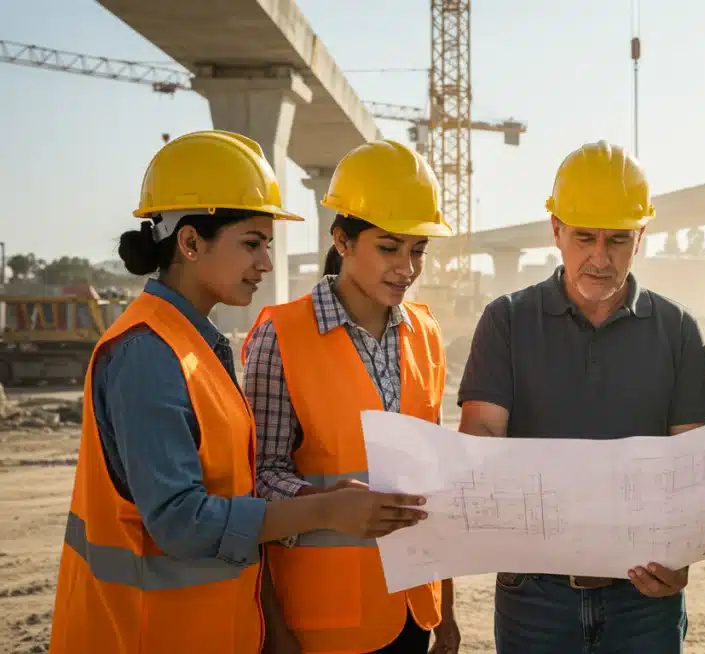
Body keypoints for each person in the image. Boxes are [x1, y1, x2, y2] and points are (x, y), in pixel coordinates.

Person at [48, 130, 429, 654]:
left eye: (267, 245)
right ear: (189, 242)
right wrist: (322, 511)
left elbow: (234, 491)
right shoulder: (147, 355)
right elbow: (182, 523)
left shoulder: (195, 345)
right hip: (143, 633)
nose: (268, 264)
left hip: (204, 630)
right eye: (252, 243)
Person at [456, 140, 705, 654]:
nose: (600, 257)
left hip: (643, 596)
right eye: (584, 238)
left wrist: (684, 551)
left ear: (640, 236)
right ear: (555, 230)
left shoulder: (678, 329)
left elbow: (693, 460)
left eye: (618, 239)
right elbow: (482, 435)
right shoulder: (506, 321)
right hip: (534, 593)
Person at [242, 139, 460, 654]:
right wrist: (323, 504)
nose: (407, 267)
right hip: (323, 620)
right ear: (342, 240)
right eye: (389, 247)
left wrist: (445, 612)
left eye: (418, 249)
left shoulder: (424, 332)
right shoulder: (282, 335)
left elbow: (434, 476)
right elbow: (255, 479)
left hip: (413, 608)